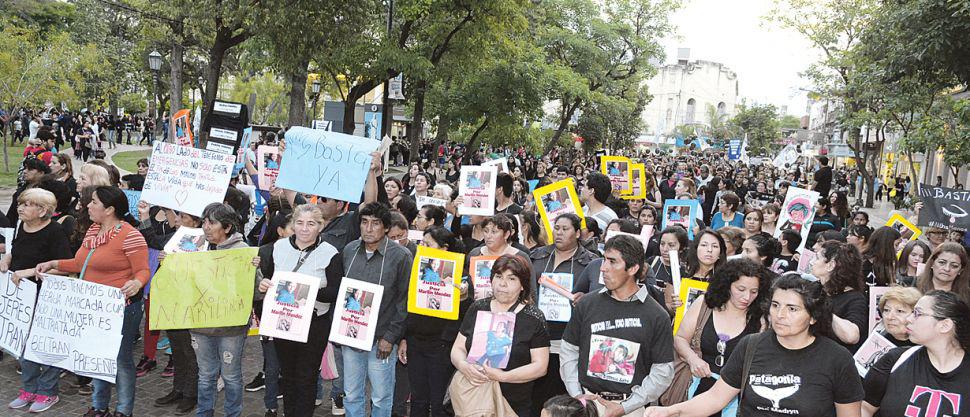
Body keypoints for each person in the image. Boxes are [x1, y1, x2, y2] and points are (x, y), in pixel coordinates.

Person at [644, 274, 864, 417]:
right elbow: (715, 398)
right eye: (775, 305)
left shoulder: (836, 359)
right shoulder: (751, 346)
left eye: (792, 309)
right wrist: (670, 411)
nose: (780, 315)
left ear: (814, 316)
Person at [35, 186, 150, 417]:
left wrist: (137, 283)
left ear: (109, 209)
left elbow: (143, 270)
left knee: (120, 360)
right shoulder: (93, 231)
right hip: (93, 310)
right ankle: (99, 407)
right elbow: (81, 264)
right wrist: (54, 264)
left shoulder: (131, 235)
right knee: (97, 357)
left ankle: (123, 410)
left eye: (94, 202)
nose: (88, 205)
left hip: (120, 309)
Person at [562, 235, 675, 417]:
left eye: (612, 262)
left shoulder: (657, 315)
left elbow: (663, 371)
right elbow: (569, 350)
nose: (603, 268)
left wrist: (625, 407)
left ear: (633, 268)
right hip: (587, 403)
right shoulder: (587, 304)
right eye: (604, 259)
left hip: (631, 408)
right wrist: (577, 395)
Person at [256, 204, 344, 417]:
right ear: (293, 225)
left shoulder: (330, 253)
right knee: (287, 374)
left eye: (311, 224)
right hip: (284, 320)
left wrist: (305, 291)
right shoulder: (279, 247)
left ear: (320, 226)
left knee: (306, 376)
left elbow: (335, 292)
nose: (304, 228)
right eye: (300, 223)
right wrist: (264, 284)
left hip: (314, 323)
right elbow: (270, 277)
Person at [451, 254, 550, 417]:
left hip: (513, 402)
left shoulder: (533, 318)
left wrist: (503, 376)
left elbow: (540, 366)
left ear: (523, 285)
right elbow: (458, 347)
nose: (502, 284)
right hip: (474, 399)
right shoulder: (478, 308)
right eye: (498, 276)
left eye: (511, 279)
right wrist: (463, 366)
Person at [1, 189, 72, 413]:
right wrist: (7, 259)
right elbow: (16, 250)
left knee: (45, 345)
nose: (20, 208)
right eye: (21, 203)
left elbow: (64, 267)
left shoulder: (55, 231)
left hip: (45, 297)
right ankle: (29, 388)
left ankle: (48, 391)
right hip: (21, 298)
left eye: (27, 204)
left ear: (42, 211)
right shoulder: (22, 225)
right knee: (23, 345)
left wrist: (30, 272)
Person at [340, 202, 413, 417]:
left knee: (381, 397)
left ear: (386, 227)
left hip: (381, 339)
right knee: (351, 393)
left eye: (375, 223)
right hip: (351, 335)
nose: (368, 229)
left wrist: (390, 337)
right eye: (364, 222)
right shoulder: (350, 250)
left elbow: (404, 301)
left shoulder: (401, 256)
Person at [669, 259, 770, 415]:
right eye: (741, 289)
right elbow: (680, 338)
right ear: (727, 285)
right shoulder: (704, 305)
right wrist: (692, 359)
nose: (747, 297)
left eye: (754, 292)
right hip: (694, 390)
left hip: (735, 400)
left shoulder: (761, 320)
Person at [190, 203, 260, 417]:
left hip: (230, 327)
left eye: (212, 223)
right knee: (206, 375)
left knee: (230, 376)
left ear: (227, 227)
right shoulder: (196, 246)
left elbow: (256, 291)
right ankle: (204, 413)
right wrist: (170, 262)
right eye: (204, 222)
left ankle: (232, 413)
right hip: (200, 324)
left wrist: (254, 272)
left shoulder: (242, 252)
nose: (206, 227)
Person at [529, 213, 600, 413]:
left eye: (565, 229)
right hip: (536, 336)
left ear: (577, 233)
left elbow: (599, 297)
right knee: (536, 397)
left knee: (562, 400)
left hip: (568, 339)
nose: (559, 233)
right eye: (557, 228)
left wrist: (585, 299)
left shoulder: (591, 262)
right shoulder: (536, 256)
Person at [862, 291, 970, 416]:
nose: (909, 319)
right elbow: (864, 407)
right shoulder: (896, 359)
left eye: (917, 313)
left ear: (944, 326)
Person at [811, 241, 869, 353]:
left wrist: (825, 309)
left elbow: (852, 336)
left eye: (817, 258)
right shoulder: (816, 288)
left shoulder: (855, 299)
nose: (812, 261)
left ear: (831, 265)